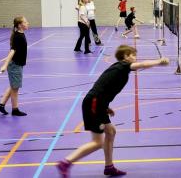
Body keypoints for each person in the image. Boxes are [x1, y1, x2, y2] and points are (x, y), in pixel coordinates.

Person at [57, 45, 169, 177]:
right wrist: (159, 61)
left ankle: (109, 167)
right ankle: (66, 162)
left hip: (97, 103)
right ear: (125, 57)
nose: (135, 57)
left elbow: (104, 86)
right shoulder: (123, 66)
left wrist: (105, 107)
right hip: (94, 103)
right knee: (97, 142)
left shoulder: (118, 68)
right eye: (132, 54)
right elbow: (142, 64)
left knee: (111, 131)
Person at [0, 16, 29, 116]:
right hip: (15, 65)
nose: (28, 23)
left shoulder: (20, 34)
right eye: (25, 22)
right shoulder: (18, 36)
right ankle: (15, 109)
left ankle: (1, 105)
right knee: (15, 88)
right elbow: (12, 51)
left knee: (13, 85)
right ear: (20, 25)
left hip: (17, 64)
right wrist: (4, 65)